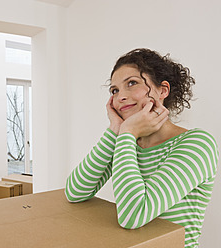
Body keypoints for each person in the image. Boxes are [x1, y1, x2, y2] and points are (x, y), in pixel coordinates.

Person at [65, 48, 219, 248]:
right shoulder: (127, 144)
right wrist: (116, 130)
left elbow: (133, 215)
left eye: (132, 83)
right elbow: (75, 192)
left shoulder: (198, 144)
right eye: (115, 90)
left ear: (163, 90)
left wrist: (127, 133)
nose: (120, 97)